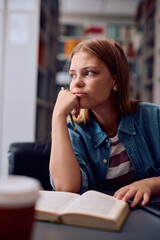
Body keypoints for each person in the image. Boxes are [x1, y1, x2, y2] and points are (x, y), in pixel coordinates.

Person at [49, 38, 160, 208]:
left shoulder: (152, 117)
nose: (76, 82)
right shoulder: (75, 130)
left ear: (115, 80)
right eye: (73, 75)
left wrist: (149, 184)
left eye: (89, 73)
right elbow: (67, 189)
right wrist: (58, 117)